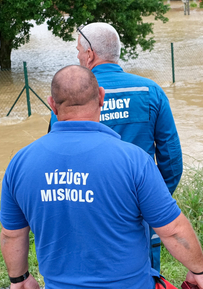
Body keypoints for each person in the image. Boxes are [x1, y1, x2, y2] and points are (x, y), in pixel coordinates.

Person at [1, 65, 203, 289]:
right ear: (101, 97)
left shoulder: (20, 163)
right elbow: (173, 230)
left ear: (52, 105)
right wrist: (198, 270)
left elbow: (12, 235)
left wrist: (20, 279)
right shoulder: (134, 160)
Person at [49, 22, 183, 273]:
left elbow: (56, 157)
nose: (77, 56)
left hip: (83, 219)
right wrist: (152, 202)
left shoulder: (69, 97)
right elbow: (172, 161)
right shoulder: (149, 91)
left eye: (78, 50)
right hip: (141, 218)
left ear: (89, 54)